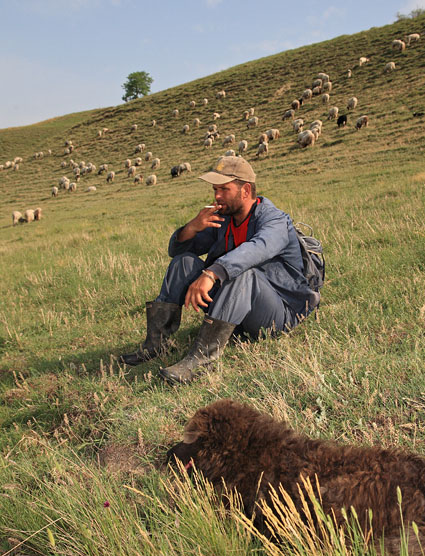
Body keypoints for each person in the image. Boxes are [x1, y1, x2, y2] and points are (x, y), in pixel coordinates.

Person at [118, 156, 320, 385]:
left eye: (224, 189)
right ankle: (154, 346)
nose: (217, 196)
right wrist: (192, 227)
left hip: (277, 314)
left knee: (243, 273)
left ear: (245, 190)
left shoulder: (275, 221)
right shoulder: (223, 219)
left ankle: (200, 361)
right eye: (215, 189)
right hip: (236, 308)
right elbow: (176, 250)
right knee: (183, 262)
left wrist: (212, 273)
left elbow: (257, 249)